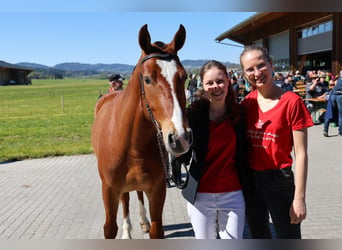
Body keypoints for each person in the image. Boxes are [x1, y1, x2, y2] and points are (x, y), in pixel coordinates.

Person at [239, 45, 314, 239]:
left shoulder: (292, 102)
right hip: (251, 181)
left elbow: (302, 154)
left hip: (279, 181)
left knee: (289, 237)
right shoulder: (246, 104)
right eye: (249, 69)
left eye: (261, 65)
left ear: (271, 65)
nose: (257, 73)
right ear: (244, 73)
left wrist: (299, 197)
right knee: (259, 235)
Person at [175, 60, 247, 239]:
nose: (216, 87)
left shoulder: (240, 115)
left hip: (232, 193)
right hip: (201, 196)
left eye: (220, 81)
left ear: (228, 81)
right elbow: (183, 155)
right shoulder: (193, 115)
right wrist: (177, 151)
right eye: (210, 83)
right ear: (203, 86)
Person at [323, 70, 342, 136]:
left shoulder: (337, 80)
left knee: (329, 112)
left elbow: (333, 86)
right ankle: (340, 131)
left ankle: (325, 130)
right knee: (341, 114)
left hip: (333, 95)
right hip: (340, 96)